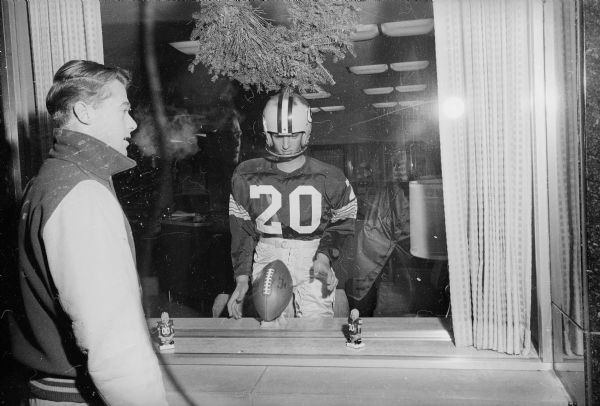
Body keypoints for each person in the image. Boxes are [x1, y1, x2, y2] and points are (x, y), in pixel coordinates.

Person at [6, 60, 168, 405]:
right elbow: (112, 343)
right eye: (123, 110)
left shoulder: (51, 178)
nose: (133, 123)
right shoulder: (82, 194)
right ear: (84, 111)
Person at [227, 90, 357, 320]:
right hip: (268, 255)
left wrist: (325, 257)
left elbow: (343, 223)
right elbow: (242, 232)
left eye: (293, 135)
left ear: (306, 133)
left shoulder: (330, 177)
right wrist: (241, 278)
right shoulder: (246, 174)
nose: (286, 144)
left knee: (316, 333)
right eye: (278, 136)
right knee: (271, 331)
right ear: (268, 134)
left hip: (312, 258)